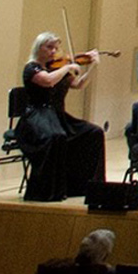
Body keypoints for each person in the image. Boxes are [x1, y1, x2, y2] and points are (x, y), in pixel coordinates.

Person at [18, 33, 108, 202]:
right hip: (37, 117)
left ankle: (82, 186)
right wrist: (67, 67)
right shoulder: (32, 68)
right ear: (39, 48)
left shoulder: (57, 68)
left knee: (93, 133)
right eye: (49, 47)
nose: (53, 51)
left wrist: (93, 66)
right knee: (56, 137)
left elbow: (79, 84)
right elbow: (48, 81)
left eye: (55, 48)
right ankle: (46, 191)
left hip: (58, 116)